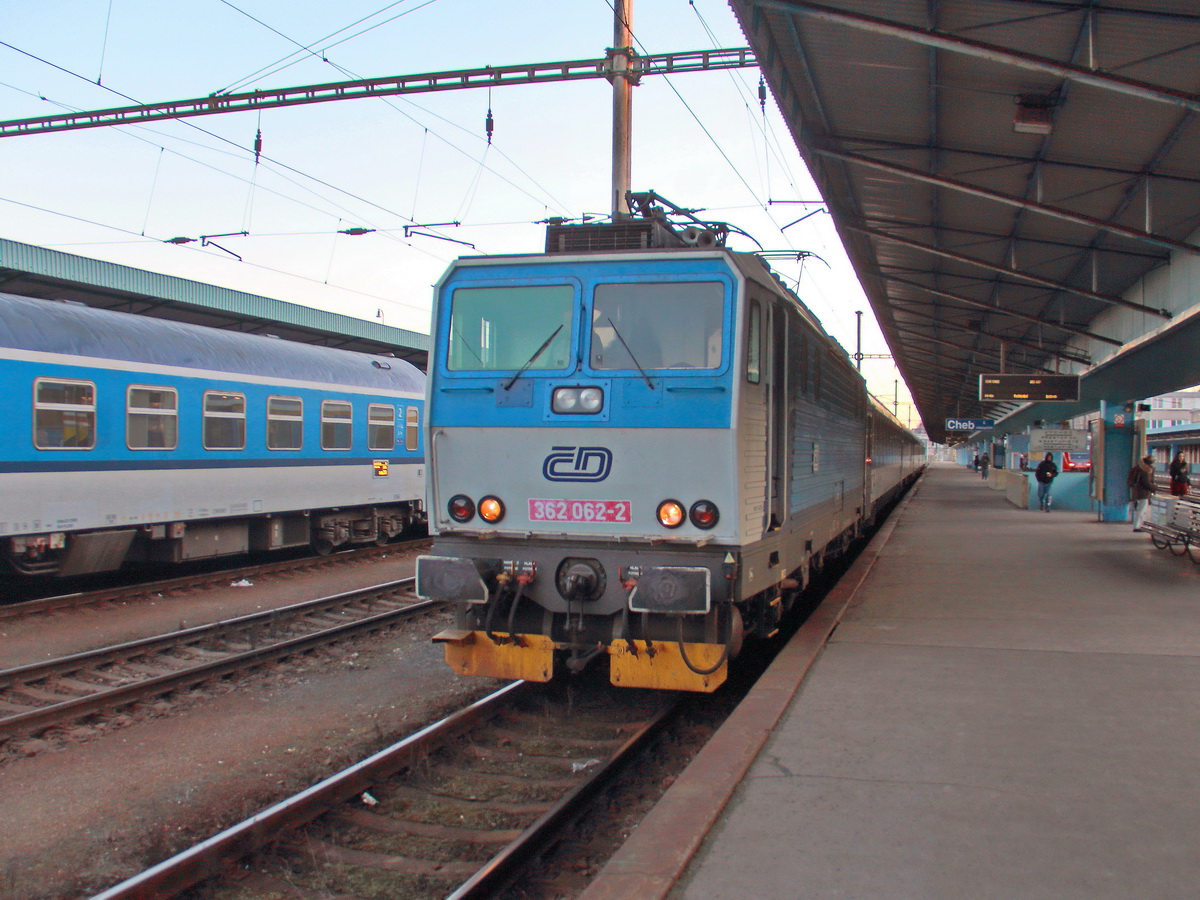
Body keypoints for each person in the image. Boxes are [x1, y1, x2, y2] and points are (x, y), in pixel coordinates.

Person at [1128, 454, 1157, 532]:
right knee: (1141, 510)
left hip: (1138, 492)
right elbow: (1146, 483)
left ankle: (1139, 525)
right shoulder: (1145, 470)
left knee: (1140, 509)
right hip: (1143, 492)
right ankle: (1137, 526)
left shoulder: (1138, 468)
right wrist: (1154, 487)